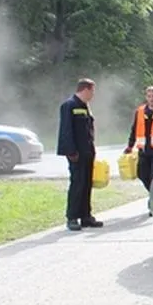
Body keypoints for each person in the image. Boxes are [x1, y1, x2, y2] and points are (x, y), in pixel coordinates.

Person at [57, 78, 102, 231]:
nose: (93, 95)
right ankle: (72, 217)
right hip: (76, 153)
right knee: (77, 184)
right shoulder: (69, 105)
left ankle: (86, 216)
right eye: (92, 91)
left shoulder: (85, 106)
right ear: (86, 89)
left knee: (87, 184)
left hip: (87, 152)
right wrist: (70, 151)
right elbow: (66, 130)